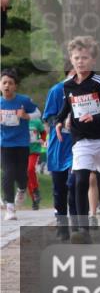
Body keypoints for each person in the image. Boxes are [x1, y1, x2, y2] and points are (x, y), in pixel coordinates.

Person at [55, 36, 100, 243]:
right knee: (79, 181)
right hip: (81, 140)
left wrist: (97, 117)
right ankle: (83, 230)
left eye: (85, 58)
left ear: (92, 61)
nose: (80, 61)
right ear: (71, 60)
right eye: (76, 58)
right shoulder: (68, 86)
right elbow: (67, 107)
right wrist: (58, 121)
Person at [1, 68, 40, 221]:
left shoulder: (23, 100)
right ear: (0, 85)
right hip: (4, 144)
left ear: (15, 86)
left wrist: (26, 116)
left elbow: (38, 113)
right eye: (4, 83)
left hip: (22, 144)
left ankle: (22, 189)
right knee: (7, 174)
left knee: (22, 175)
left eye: (10, 83)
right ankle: (10, 208)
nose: (7, 86)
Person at [44, 69, 76, 239]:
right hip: (59, 145)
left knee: (74, 183)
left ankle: (77, 224)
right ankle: (62, 224)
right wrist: (63, 122)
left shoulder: (90, 90)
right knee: (60, 188)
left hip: (78, 146)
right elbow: (48, 118)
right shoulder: (57, 91)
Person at [27, 114, 46, 210]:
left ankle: (36, 190)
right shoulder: (18, 120)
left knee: (30, 169)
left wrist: (42, 139)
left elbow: (43, 132)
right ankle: (34, 200)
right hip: (21, 151)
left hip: (34, 150)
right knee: (26, 176)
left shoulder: (36, 121)